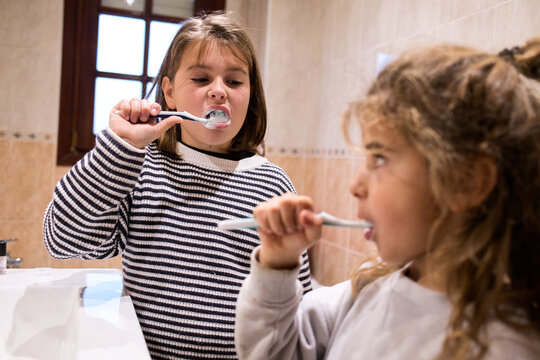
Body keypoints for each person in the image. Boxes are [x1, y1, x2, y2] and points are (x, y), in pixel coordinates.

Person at [234, 38, 540, 360]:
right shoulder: (365, 291)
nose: (354, 186)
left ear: (466, 182)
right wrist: (277, 265)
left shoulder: (505, 347)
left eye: (378, 158)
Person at [43, 12, 312, 360]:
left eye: (234, 81)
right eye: (201, 78)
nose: (218, 91)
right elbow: (63, 240)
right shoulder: (141, 167)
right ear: (169, 92)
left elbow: (297, 301)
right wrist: (120, 148)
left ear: (251, 94)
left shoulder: (272, 184)